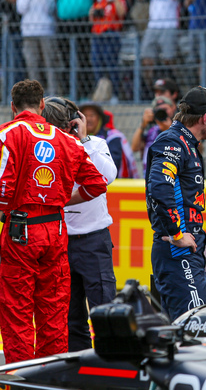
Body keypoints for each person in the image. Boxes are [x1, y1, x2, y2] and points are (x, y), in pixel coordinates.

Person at [0, 80, 108, 363]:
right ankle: (50, 380)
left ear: (13, 107)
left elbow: (3, 188)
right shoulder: (67, 140)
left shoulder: (8, 134)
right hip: (56, 230)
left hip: (19, 231)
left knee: (17, 312)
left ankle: (20, 381)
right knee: (53, 313)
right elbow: (97, 184)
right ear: (42, 105)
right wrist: (60, 200)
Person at [145, 86, 206, 321]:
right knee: (194, 325)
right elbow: (160, 187)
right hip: (178, 249)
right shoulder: (173, 142)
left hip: (184, 248)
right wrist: (176, 233)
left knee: (179, 327)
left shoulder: (185, 142)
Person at [41, 96, 118, 352]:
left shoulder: (95, 143)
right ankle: (80, 371)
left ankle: (112, 366)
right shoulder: (45, 150)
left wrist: (83, 141)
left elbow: (107, 176)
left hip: (93, 240)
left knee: (104, 311)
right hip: (60, 241)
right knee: (71, 318)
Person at [80, 102, 139, 178]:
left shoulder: (112, 137)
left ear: (99, 118)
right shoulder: (75, 138)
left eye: (92, 115)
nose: (88, 119)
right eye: (85, 115)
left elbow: (113, 167)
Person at [17, 0, 62, 96]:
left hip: (46, 29)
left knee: (50, 62)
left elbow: (49, 9)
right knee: (32, 63)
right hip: (28, 31)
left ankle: (53, 92)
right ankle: (35, 94)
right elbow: (21, 8)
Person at [89, 0, 128, 103]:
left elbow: (122, 13)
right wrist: (92, 12)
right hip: (97, 34)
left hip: (111, 33)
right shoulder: (99, 0)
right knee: (96, 63)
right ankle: (101, 93)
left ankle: (114, 94)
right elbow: (92, 19)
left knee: (111, 64)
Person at [131, 96, 177, 175]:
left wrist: (170, 130)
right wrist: (143, 124)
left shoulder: (180, 127)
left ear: (172, 109)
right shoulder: (151, 129)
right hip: (150, 174)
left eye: (165, 110)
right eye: (159, 110)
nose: (162, 113)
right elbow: (134, 148)